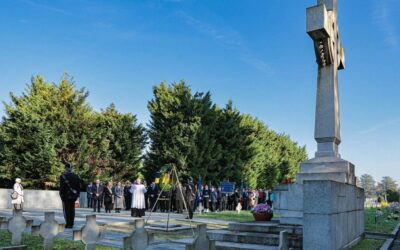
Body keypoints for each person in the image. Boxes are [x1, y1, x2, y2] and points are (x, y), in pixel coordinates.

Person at [59, 163, 81, 228]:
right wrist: (77, 195)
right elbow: (78, 187)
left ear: (66, 168)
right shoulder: (76, 176)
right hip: (73, 196)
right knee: (72, 209)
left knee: (66, 210)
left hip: (66, 196)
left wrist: (61, 195)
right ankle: (71, 223)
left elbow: (62, 187)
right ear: (71, 169)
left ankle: (68, 224)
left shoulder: (63, 176)